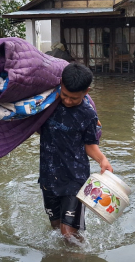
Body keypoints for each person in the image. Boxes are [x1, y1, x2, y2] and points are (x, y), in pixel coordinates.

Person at [38, 62, 113, 244]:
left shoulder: (87, 114)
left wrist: (102, 160)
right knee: (56, 227)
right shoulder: (46, 105)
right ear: (60, 84)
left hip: (75, 179)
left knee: (68, 233)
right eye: (65, 95)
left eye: (74, 98)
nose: (68, 101)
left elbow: (89, 144)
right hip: (48, 176)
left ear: (86, 92)